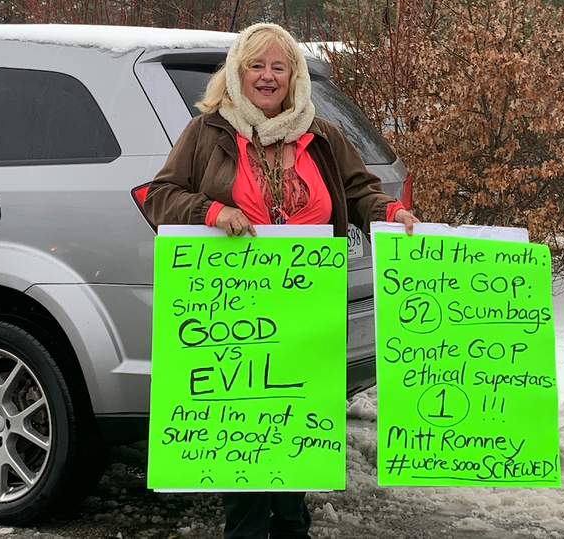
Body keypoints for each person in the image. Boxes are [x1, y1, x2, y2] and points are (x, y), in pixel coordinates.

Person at [144, 22, 419, 539]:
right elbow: (159, 196)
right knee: (246, 451)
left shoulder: (323, 136)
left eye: (279, 66)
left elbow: (360, 194)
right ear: (236, 72)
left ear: (293, 76)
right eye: (256, 65)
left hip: (307, 316)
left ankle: (293, 529)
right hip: (235, 321)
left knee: (296, 445)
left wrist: (390, 211)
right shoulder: (207, 133)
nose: (267, 76)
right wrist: (210, 211)